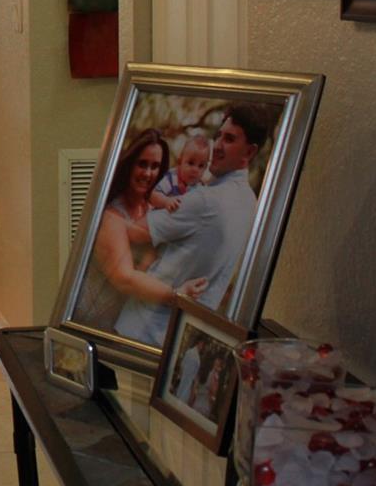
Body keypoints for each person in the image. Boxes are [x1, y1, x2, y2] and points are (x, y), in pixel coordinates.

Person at [113, 103, 279, 346]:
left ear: (250, 152)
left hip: (141, 332)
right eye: (218, 136)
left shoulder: (205, 200)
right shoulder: (249, 202)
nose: (217, 146)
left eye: (229, 139)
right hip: (184, 341)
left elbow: (135, 232)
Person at [73, 129, 206, 330]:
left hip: (123, 325)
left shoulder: (152, 210)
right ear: (129, 165)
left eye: (155, 166)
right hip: (89, 323)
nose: (148, 173)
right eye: (142, 164)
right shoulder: (111, 215)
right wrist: (176, 295)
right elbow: (125, 278)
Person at [151, 133, 209, 211]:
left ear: (205, 168)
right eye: (191, 163)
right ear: (180, 162)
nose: (195, 170)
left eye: (201, 166)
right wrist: (166, 201)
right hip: (161, 215)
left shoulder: (200, 187)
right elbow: (153, 195)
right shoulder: (171, 178)